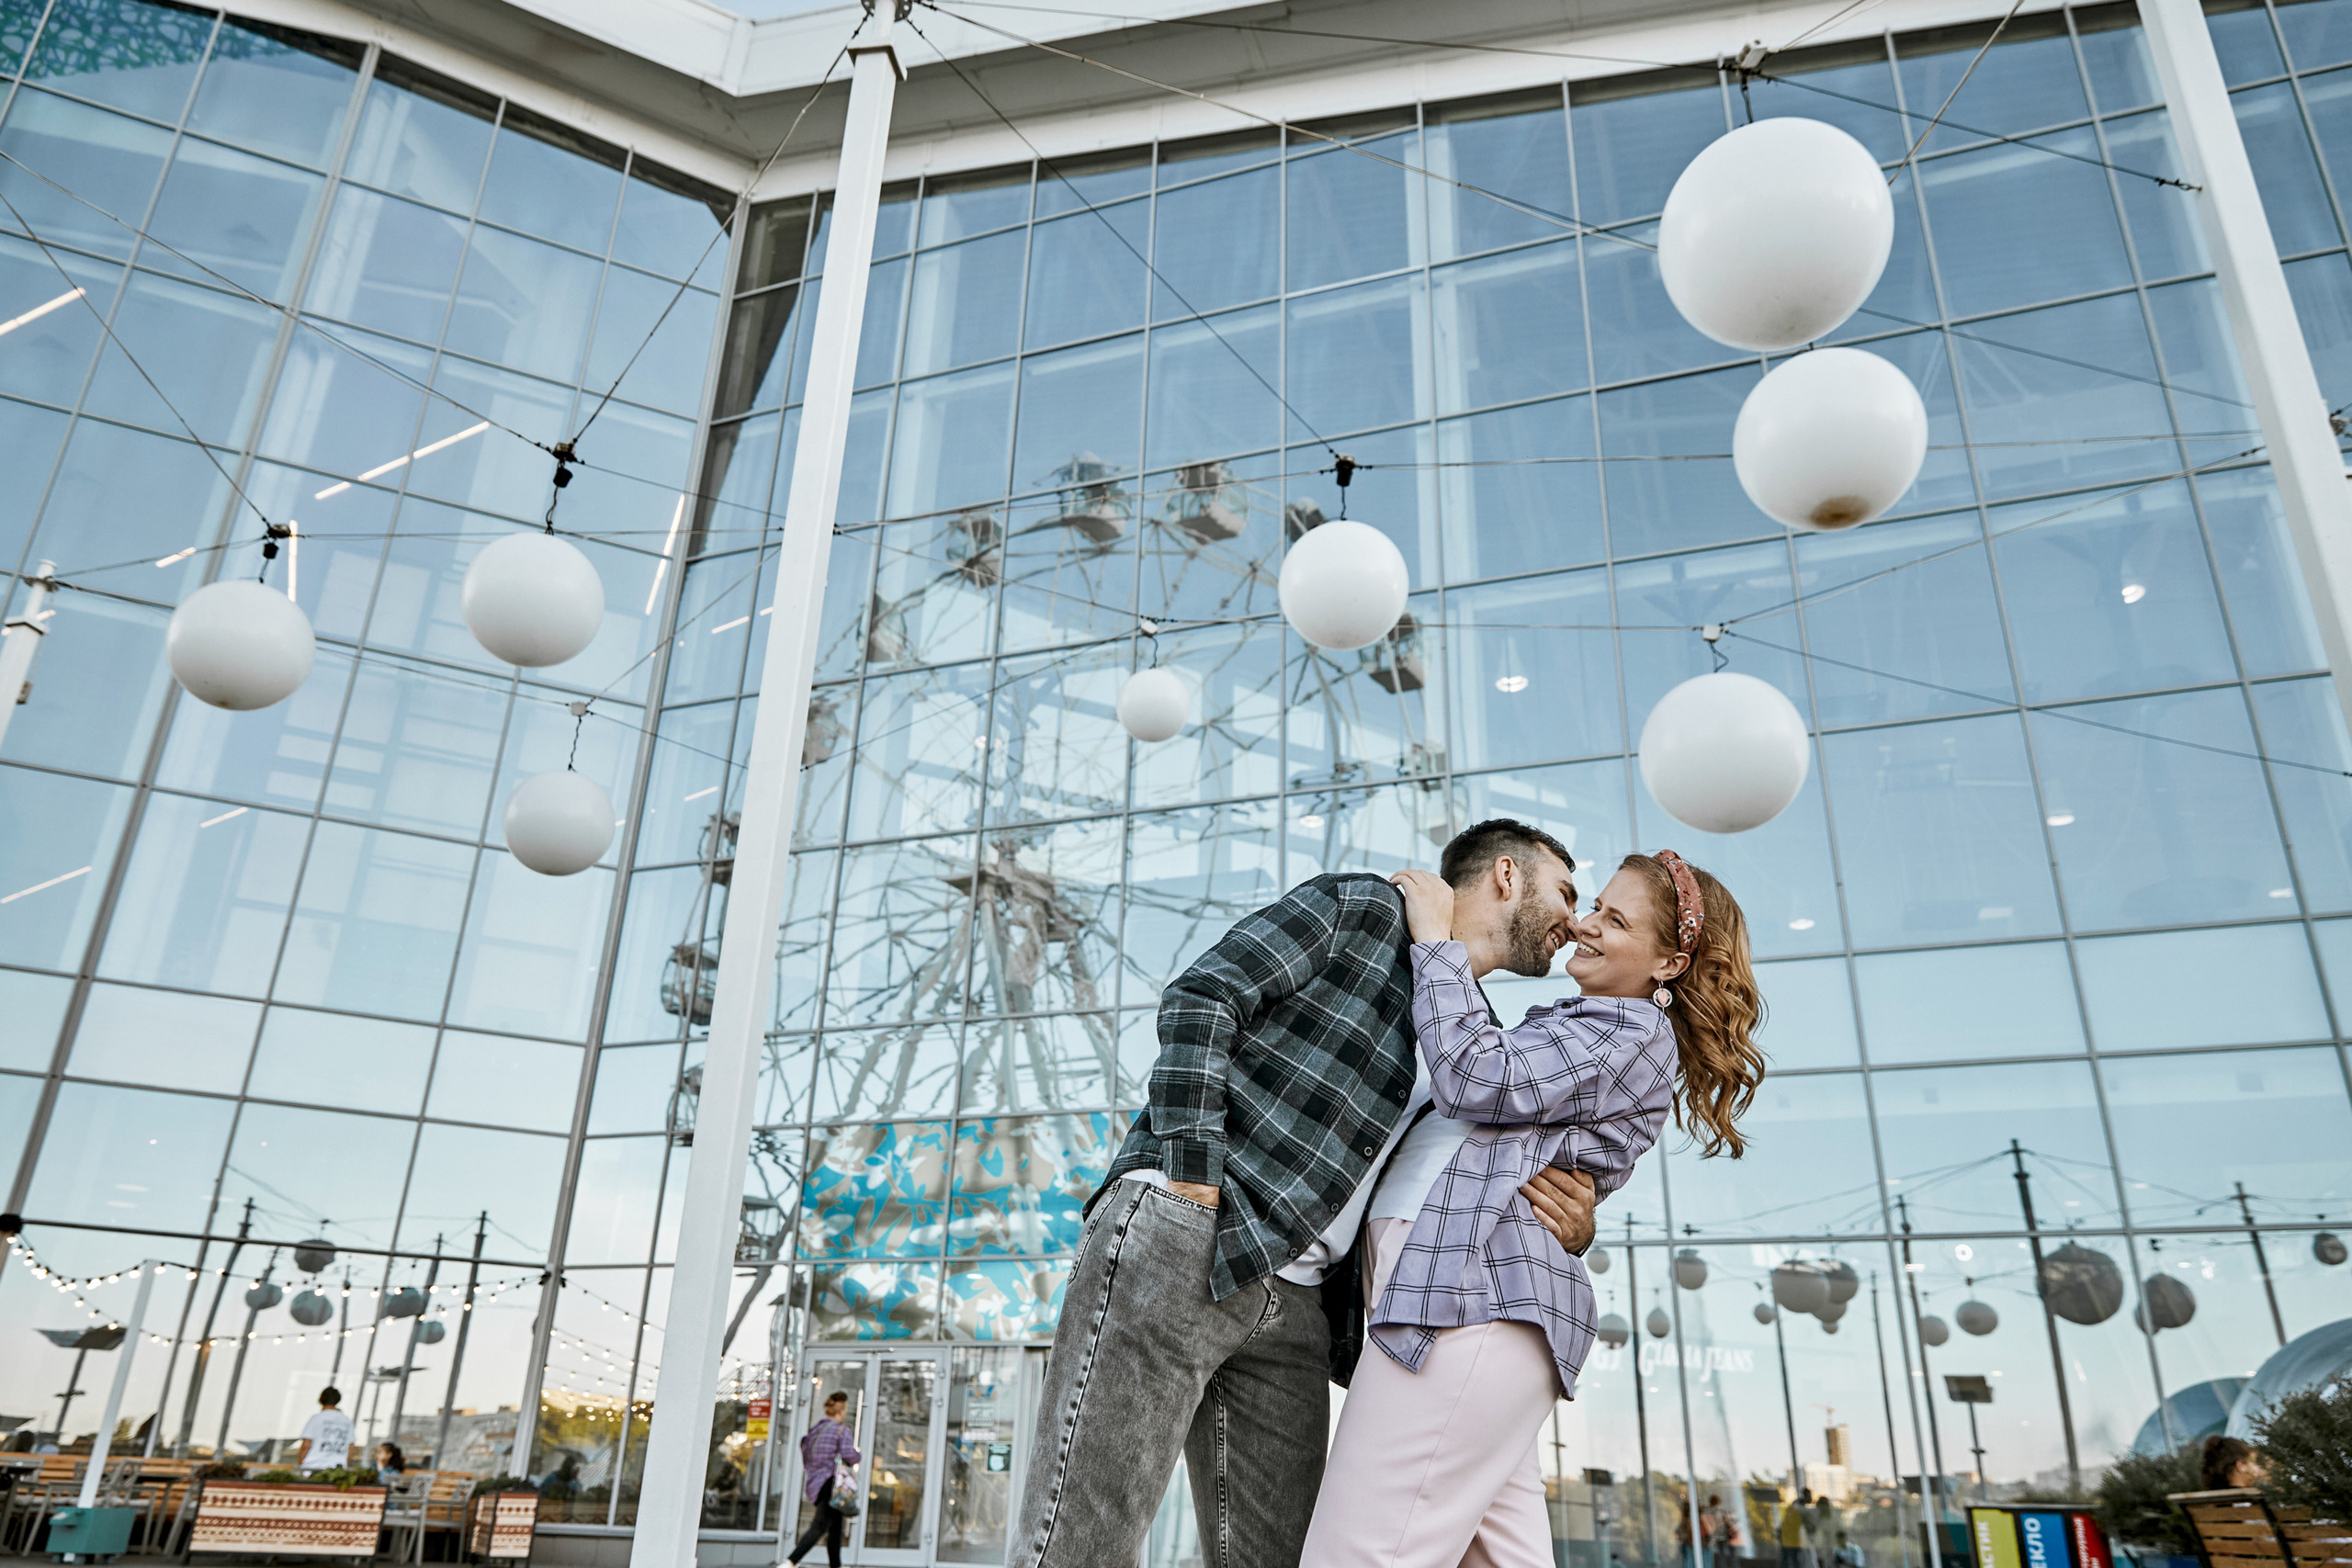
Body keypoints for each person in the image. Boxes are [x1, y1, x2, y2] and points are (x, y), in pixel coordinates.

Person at [1012, 820, 1606, 1568]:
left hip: (1295, 1305)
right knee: (1085, 1538)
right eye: (1567, 891)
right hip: (1191, 1233)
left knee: (1286, 1556)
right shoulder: (1362, 909)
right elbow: (1205, 995)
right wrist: (1196, 1179)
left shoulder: (1471, 1034)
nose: (1576, 919)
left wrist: (1571, 1227)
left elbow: (1472, 1181)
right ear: (1508, 876)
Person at [1300, 851, 1763, 1566]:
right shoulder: (1596, 1027)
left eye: (1614, 917)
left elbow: (1478, 1075)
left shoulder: (1627, 1031)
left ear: (1669, 963)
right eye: (1594, 905)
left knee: (1356, 1553)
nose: (1584, 923)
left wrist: (1435, 940)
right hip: (1476, 1312)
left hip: (1467, 1309)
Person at [789, 1392, 862, 1568]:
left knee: (835, 1528)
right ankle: (790, 1561)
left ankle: (835, 1565)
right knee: (820, 1526)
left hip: (816, 1483)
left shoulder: (814, 1432)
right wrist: (859, 1455)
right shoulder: (841, 1430)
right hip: (832, 1484)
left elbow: (805, 1452)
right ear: (842, 1410)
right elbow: (849, 1455)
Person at [292, 1387, 353, 1473]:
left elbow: (306, 1445)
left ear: (321, 1399)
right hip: (337, 1469)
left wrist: (301, 1466)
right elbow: (351, 1447)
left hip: (313, 1467)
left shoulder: (316, 1419)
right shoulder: (347, 1421)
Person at [2201, 1434, 2265, 1490]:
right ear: (2241, 1466)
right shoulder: (2250, 1500)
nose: (2260, 1469)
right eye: (2255, 1462)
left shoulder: (2218, 1500)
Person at [1780, 1488, 1816, 1568]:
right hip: (1791, 1538)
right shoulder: (1797, 1506)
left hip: (1794, 1538)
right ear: (1805, 1495)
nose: (1811, 1498)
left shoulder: (1798, 1506)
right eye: (1809, 1496)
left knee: (1795, 1559)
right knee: (1792, 1559)